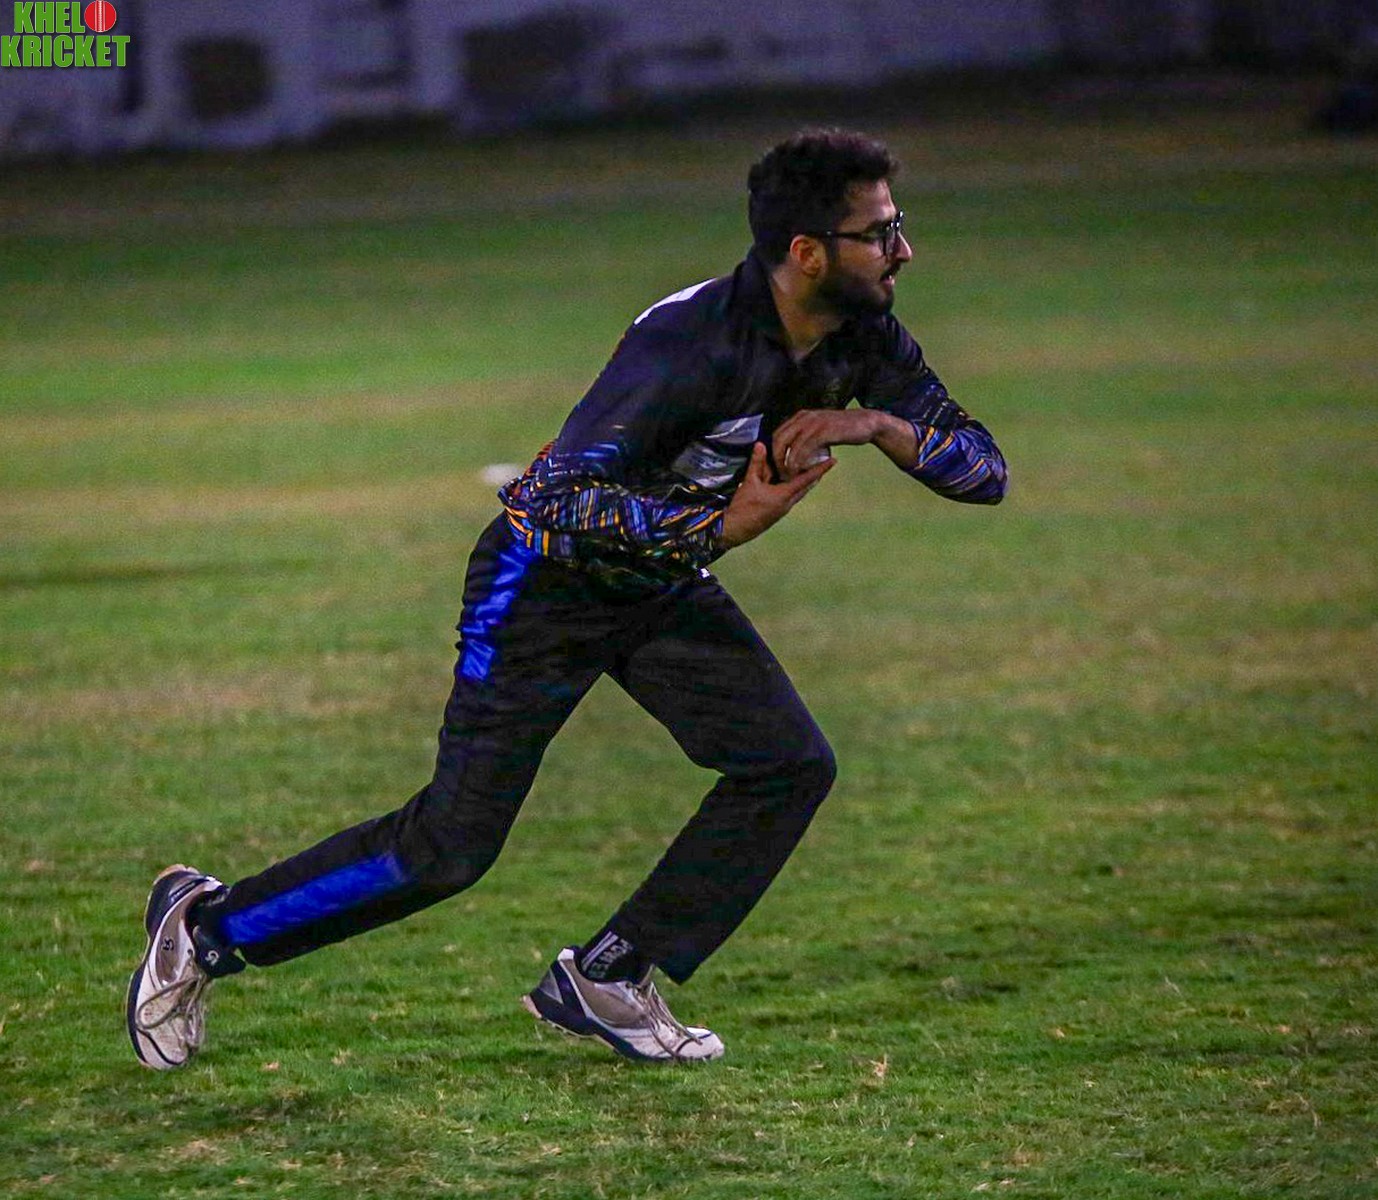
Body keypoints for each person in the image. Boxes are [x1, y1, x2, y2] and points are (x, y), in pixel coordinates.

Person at [127, 128, 1007, 1069]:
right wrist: (715, 528)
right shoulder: (689, 340)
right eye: (879, 233)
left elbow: (985, 471)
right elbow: (548, 499)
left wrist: (876, 424)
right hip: (539, 589)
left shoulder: (863, 337)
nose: (903, 250)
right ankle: (205, 931)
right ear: (808, 252)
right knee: (451, 849)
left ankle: (609, 975)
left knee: (788, 764)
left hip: (657, 588)